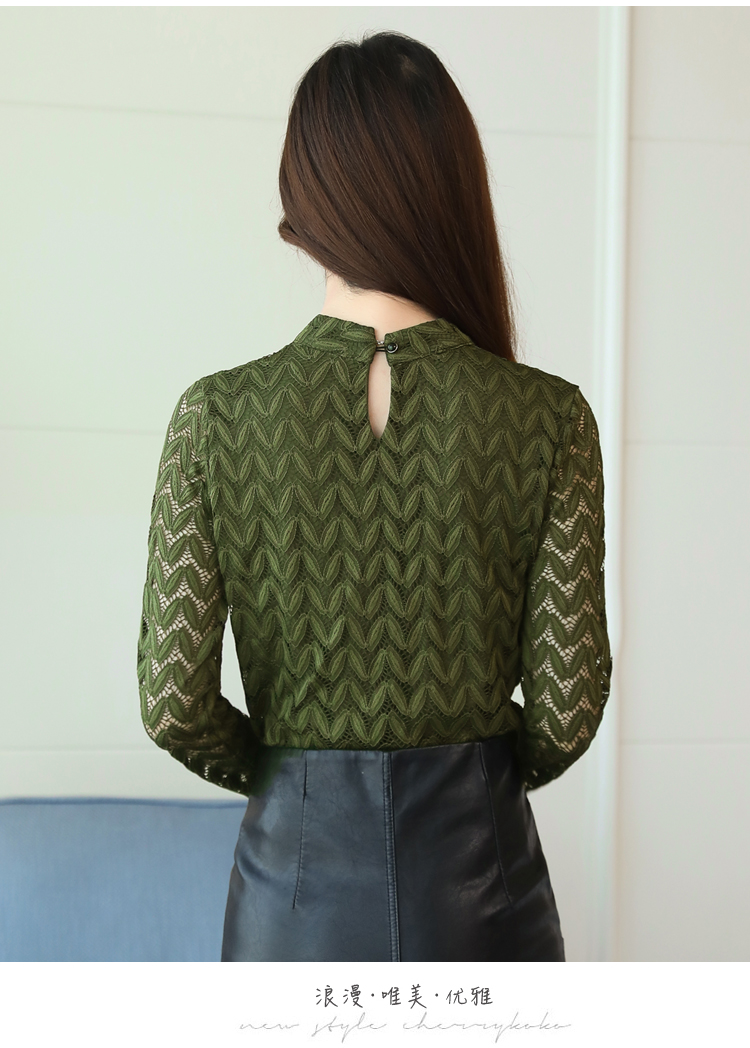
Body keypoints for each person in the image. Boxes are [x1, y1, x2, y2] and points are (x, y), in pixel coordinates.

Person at [137, 31, 611, 962]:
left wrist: (290, 774)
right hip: (484, 899)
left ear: (302, 200)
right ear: (456, 190)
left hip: (289, 904)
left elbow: (171, 705)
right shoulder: (549, 419)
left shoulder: (216, 418)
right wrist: (473, 771)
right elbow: (566, 708)